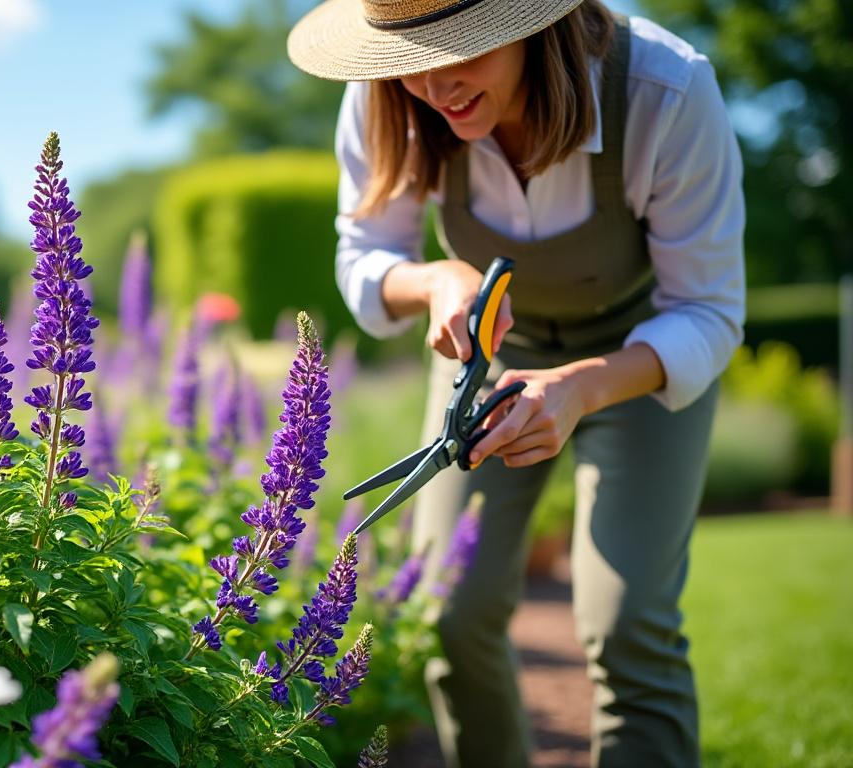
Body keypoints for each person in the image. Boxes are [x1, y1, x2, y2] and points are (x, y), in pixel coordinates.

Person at [287, 1, 744, 766]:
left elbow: (708, 312)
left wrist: (576, 388)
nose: (434, 84)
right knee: (451, 613)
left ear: (530, 23)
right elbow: (365, 253)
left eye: (459, 50)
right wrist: (431, 281)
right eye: (412, 54)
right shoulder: (384, 90)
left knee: (627, 620)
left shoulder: (668, 92)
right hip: (486, 357)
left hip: (639, 360)